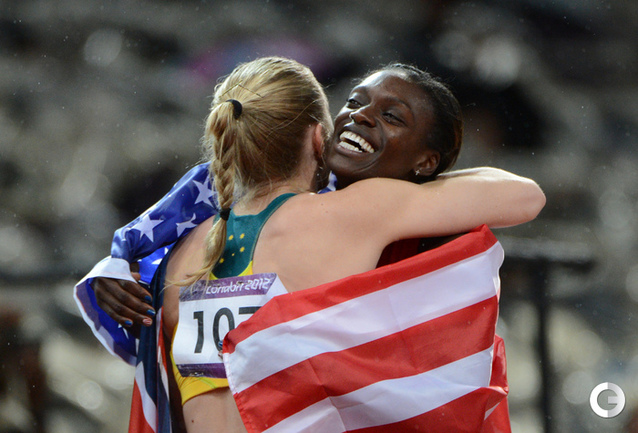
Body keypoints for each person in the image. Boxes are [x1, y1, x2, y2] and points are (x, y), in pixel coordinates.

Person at [73, 58, 545, 432]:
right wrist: (415, 179)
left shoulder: (175, 257)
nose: (360, 116)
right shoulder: (355, 212)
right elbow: (524, 197)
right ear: (321, 138)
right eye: (354, 103)